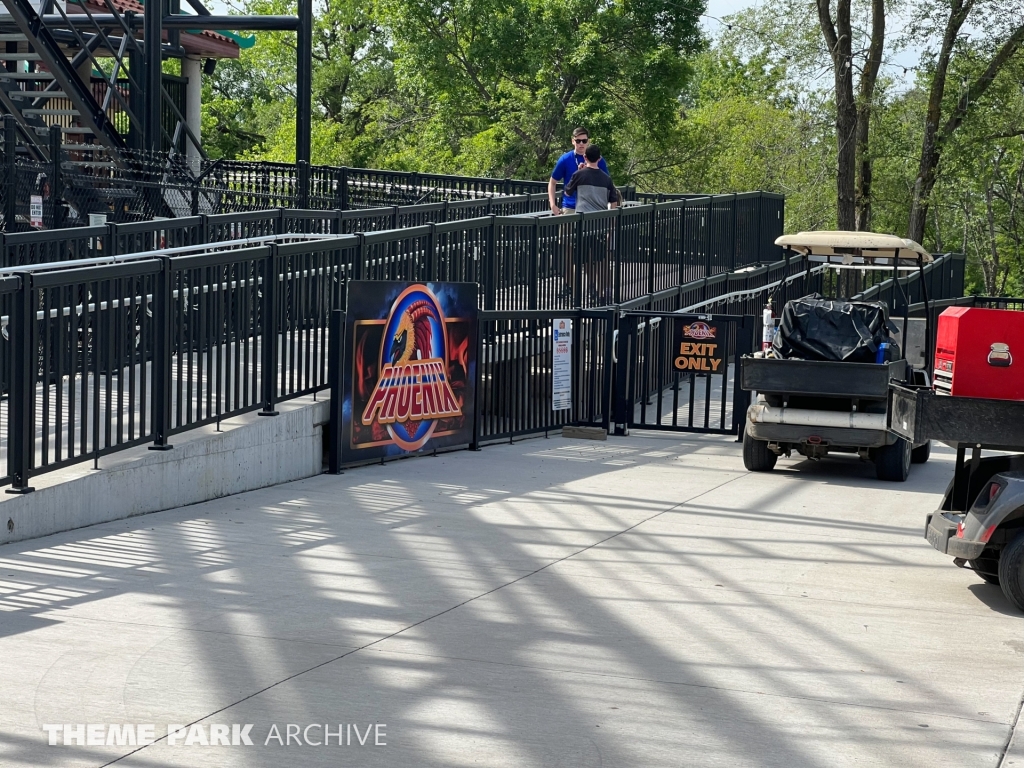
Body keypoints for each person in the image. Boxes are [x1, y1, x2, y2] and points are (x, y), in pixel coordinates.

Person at [547, 127, 610, 300]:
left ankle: (592, 286)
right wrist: (553, 204)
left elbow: (607, 183)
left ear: (588, 141)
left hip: (590, 209)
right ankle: (570, 285)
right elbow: (552, 182)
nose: (581, 144)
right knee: (567, 249)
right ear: (572, 141)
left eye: (584, 141)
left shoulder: (598, 160)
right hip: (570, 207)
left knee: (590, 251)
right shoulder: (565, 159)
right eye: (578, 141)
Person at [564, 145, 620, 303]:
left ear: (585, 157)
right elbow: (614, 202)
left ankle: (580, 294)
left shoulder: (579, 174)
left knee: (581, 260)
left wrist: (578, 171)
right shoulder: (606, 179)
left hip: (582, 225)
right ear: (599, 159)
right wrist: (611, 226)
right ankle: (600, 294)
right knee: (599, 260)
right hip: (600, 225)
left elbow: (567, 192)